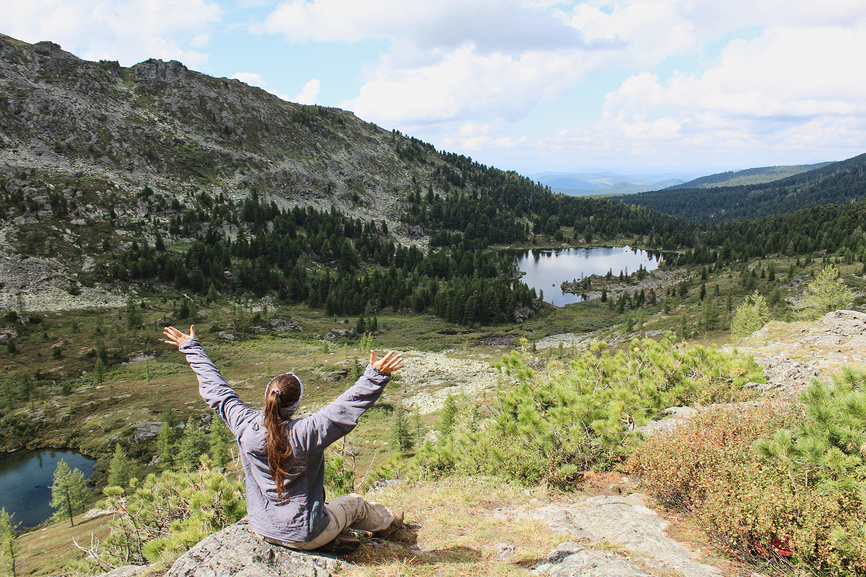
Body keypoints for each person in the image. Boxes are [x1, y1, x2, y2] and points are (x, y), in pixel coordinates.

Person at [163, 324, 405, 551]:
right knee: (355, 503)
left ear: (268, 396)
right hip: (305, 533)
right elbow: (344, 408)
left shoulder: (244, 425)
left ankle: (330, 535)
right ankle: (389, 525)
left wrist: (191, 347)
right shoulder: (307, 432)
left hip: (263, 528)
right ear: (295, 405)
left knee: (325, 507)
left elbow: (218, 391)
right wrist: (375, 375)